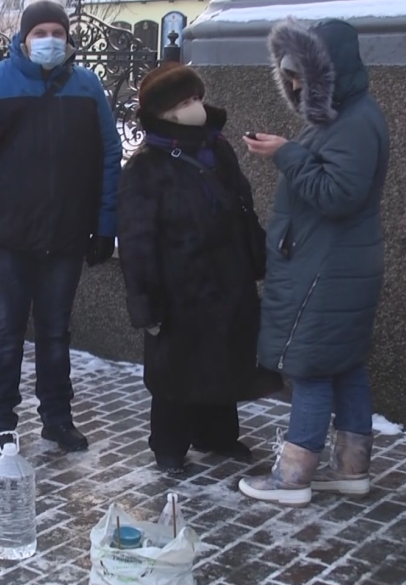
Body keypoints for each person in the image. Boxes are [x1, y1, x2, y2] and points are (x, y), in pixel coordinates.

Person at [0, 1, 122, 457]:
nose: (50, 39)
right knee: (5, 333)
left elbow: (108, 156)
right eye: (40, 31)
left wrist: (105, 224)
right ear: (23, 38)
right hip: (8, 238)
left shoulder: (87, 87)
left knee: (55, 334)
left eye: (58, 32)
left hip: (65, 236)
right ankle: (0, 422)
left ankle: (57, 419)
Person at [238, 18, 389, 506]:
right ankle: (351, 468)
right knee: (344, 366)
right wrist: (294, 150)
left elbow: (336, 194)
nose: (295, 82)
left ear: (330, 70)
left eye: (301, 72)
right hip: (335, 264)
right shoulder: (345, 116)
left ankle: (294, 477)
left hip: (326, 269)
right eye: (289, 72)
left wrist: (287, 154)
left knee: (311, 368)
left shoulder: (356, 121)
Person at [117, 63, 282, 475]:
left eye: (196, 98)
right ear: (165, 113)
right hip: (178, 288)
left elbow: (242, 206)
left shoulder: (217, 147)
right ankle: (168, 446)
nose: (195, 108)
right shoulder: (145, 165)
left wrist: (255, 254)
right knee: (176, 372)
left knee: (226, 360)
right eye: (184, 103)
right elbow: (136, 241)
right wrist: (146, 304)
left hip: (228, 277)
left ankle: (218, 435)